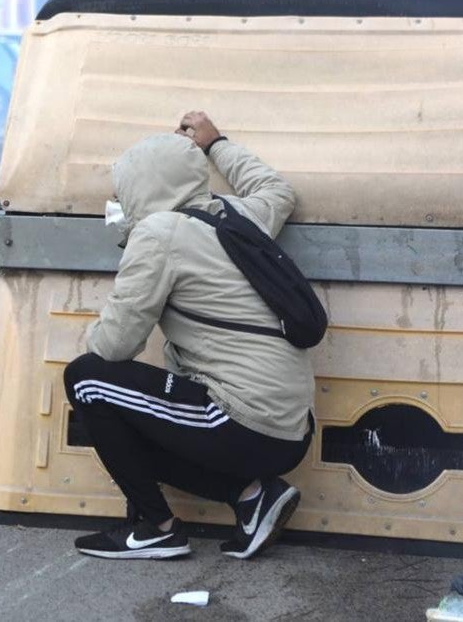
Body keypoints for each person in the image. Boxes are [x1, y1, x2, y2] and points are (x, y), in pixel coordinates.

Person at [64, 111, 314, 561]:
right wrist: (216, 143)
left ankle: (156, 529)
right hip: (291, 430)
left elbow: (113, 346)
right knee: (135, 415)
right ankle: (252, 496)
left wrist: (91, 329)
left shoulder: (159, 233)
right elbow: (278, 190)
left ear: (139, 189)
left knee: (87, 380)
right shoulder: (237, 217)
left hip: (242, 421)